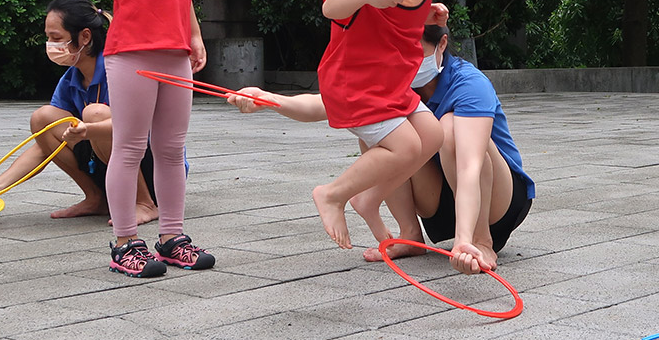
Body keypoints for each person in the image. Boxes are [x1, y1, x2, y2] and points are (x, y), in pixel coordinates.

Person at [227, 24, 535, 274]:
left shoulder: (468, 84)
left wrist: (467, 239)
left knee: (450, 130)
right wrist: (267, 99)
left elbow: (469, 167)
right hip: (443, 204)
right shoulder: (393, 80)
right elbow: (326, 104)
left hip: (497, 201)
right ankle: (410, 235)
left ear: (441, 45)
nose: (408, 61)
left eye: (417, 51)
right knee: (381, 129)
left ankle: (482, 239)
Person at [53, 0, 213, 278]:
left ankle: (172, 237)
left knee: (170, 147)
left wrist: (195, 37)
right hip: (131, 54)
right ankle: (125, 242)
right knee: (127, 147)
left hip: (175, 52)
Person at [311, 0, 484, 251]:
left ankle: (368, 199)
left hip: (389, 84)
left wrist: (429, 15)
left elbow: (396, 24)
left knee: (433, 135)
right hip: (357, 84)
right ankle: (332, 194)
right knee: (405, 147)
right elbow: (331, 6)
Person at [0, 0, 159, 224]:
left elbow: (136, 127)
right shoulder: (70, 79)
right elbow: (45, 145)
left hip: (152, 169)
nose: (51, 45)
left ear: (85, 36)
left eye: (57, 38)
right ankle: (96, 198)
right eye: (48, 38)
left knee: (95, 114)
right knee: (43, 118)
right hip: (108, 164)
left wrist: (89, 129)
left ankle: (144, 203)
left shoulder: (120, 68)